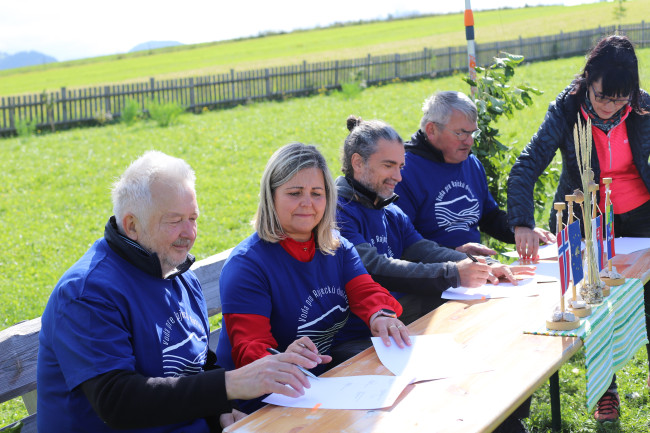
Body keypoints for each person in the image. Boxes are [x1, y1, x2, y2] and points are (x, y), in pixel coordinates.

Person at [37, 151, 319, 433]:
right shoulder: (87, 293)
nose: (189, 233)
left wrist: (220, 410)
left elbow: (197, 365)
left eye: (193, 218)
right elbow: (117, 400)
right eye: (175, 221)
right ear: (132, 225)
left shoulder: (176, 271)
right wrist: (230, 384)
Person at [333, 116, 534, 433]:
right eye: (389, 166)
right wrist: (455, 272)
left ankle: (508, 416)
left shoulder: (388, 208)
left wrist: (475, 266)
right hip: (354, 337)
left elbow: (421, 248)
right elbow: (375, 268)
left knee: (482, 334)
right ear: (358, 163)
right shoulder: (337, 211)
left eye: (401, 166)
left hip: (397, 328)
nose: (399, 176)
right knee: (439, 384)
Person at [507, 34, 650, 423]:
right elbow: (525, 166)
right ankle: (608, 391)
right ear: (588, 79)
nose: (609, 107)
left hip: (640, 217)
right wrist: (520, 221)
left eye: (620, 100)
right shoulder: (566, 109)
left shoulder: (643, 108)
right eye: (603, 97)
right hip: (588, 219)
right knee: (594, 304)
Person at [215, 142, 411, 409]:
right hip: (265, 403)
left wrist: (381, 315)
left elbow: (366, 291)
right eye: (295, 193)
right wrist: (281, 358)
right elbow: (250, 348)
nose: (307, 203)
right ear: (271, 197)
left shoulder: (337, 247)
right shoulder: (248, 265)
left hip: (322, 388)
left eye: (317, 193)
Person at [394, 91, 554, 258]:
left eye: (472, 133)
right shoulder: (404, 171)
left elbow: (489, 217)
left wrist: (520, 230)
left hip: (475, 267)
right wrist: (454, 253)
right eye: (461, 133)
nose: (469, 141)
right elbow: (403, 241)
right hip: (433, 274)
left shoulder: (471, 163)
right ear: (432, 130)